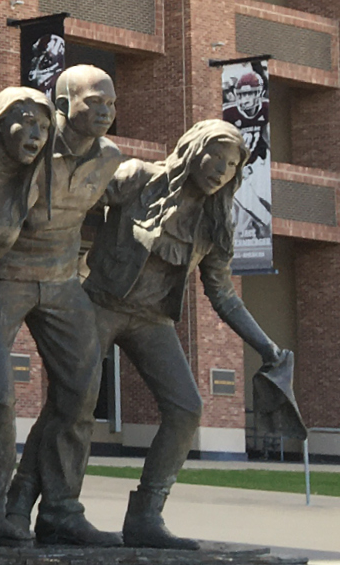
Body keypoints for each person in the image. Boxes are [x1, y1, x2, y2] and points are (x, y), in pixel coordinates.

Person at [0, 66, 126, 546]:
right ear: (63, 105)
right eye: (93, 102)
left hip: (62, 283)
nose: (104, 112)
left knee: (81, 392)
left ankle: (56, 508)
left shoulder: (110, 159)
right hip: (4, 277)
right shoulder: (30, 146)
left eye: (110, 104)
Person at [83, 120, 290, 549]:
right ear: (194, 149)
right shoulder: (138, 178)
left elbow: (223, 294)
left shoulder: (216, 223)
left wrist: (265, 345)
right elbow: (71, 210)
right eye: (217, 156)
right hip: (100, 305)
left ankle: (146, 516)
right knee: (74, 403)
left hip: (151, 320)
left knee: (186, 409)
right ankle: (35, 505)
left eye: (233, 165)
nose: (222, 170)